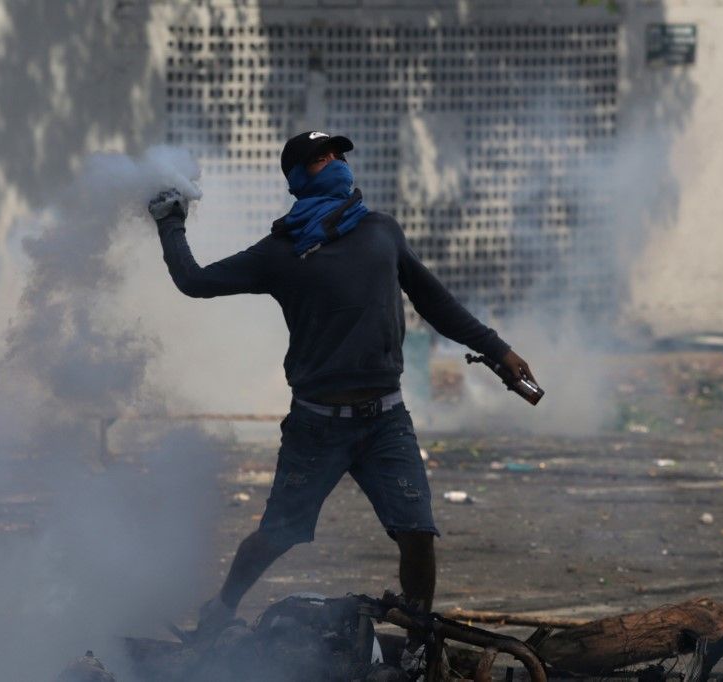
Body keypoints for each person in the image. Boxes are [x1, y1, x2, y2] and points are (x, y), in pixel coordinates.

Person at [148, 131, 535, 677]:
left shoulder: (380, 232)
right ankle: (220, 610)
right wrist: (170, 221)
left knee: (418, 533)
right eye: (319, 157)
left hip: (386, 420)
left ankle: (422, 639)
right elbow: (195, 281)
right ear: (298, 177)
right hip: (316, 425)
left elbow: (436, 303)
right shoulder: (279, 252)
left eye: (336, 154)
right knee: (275, 536)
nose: (334, 162)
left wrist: (498, 351)